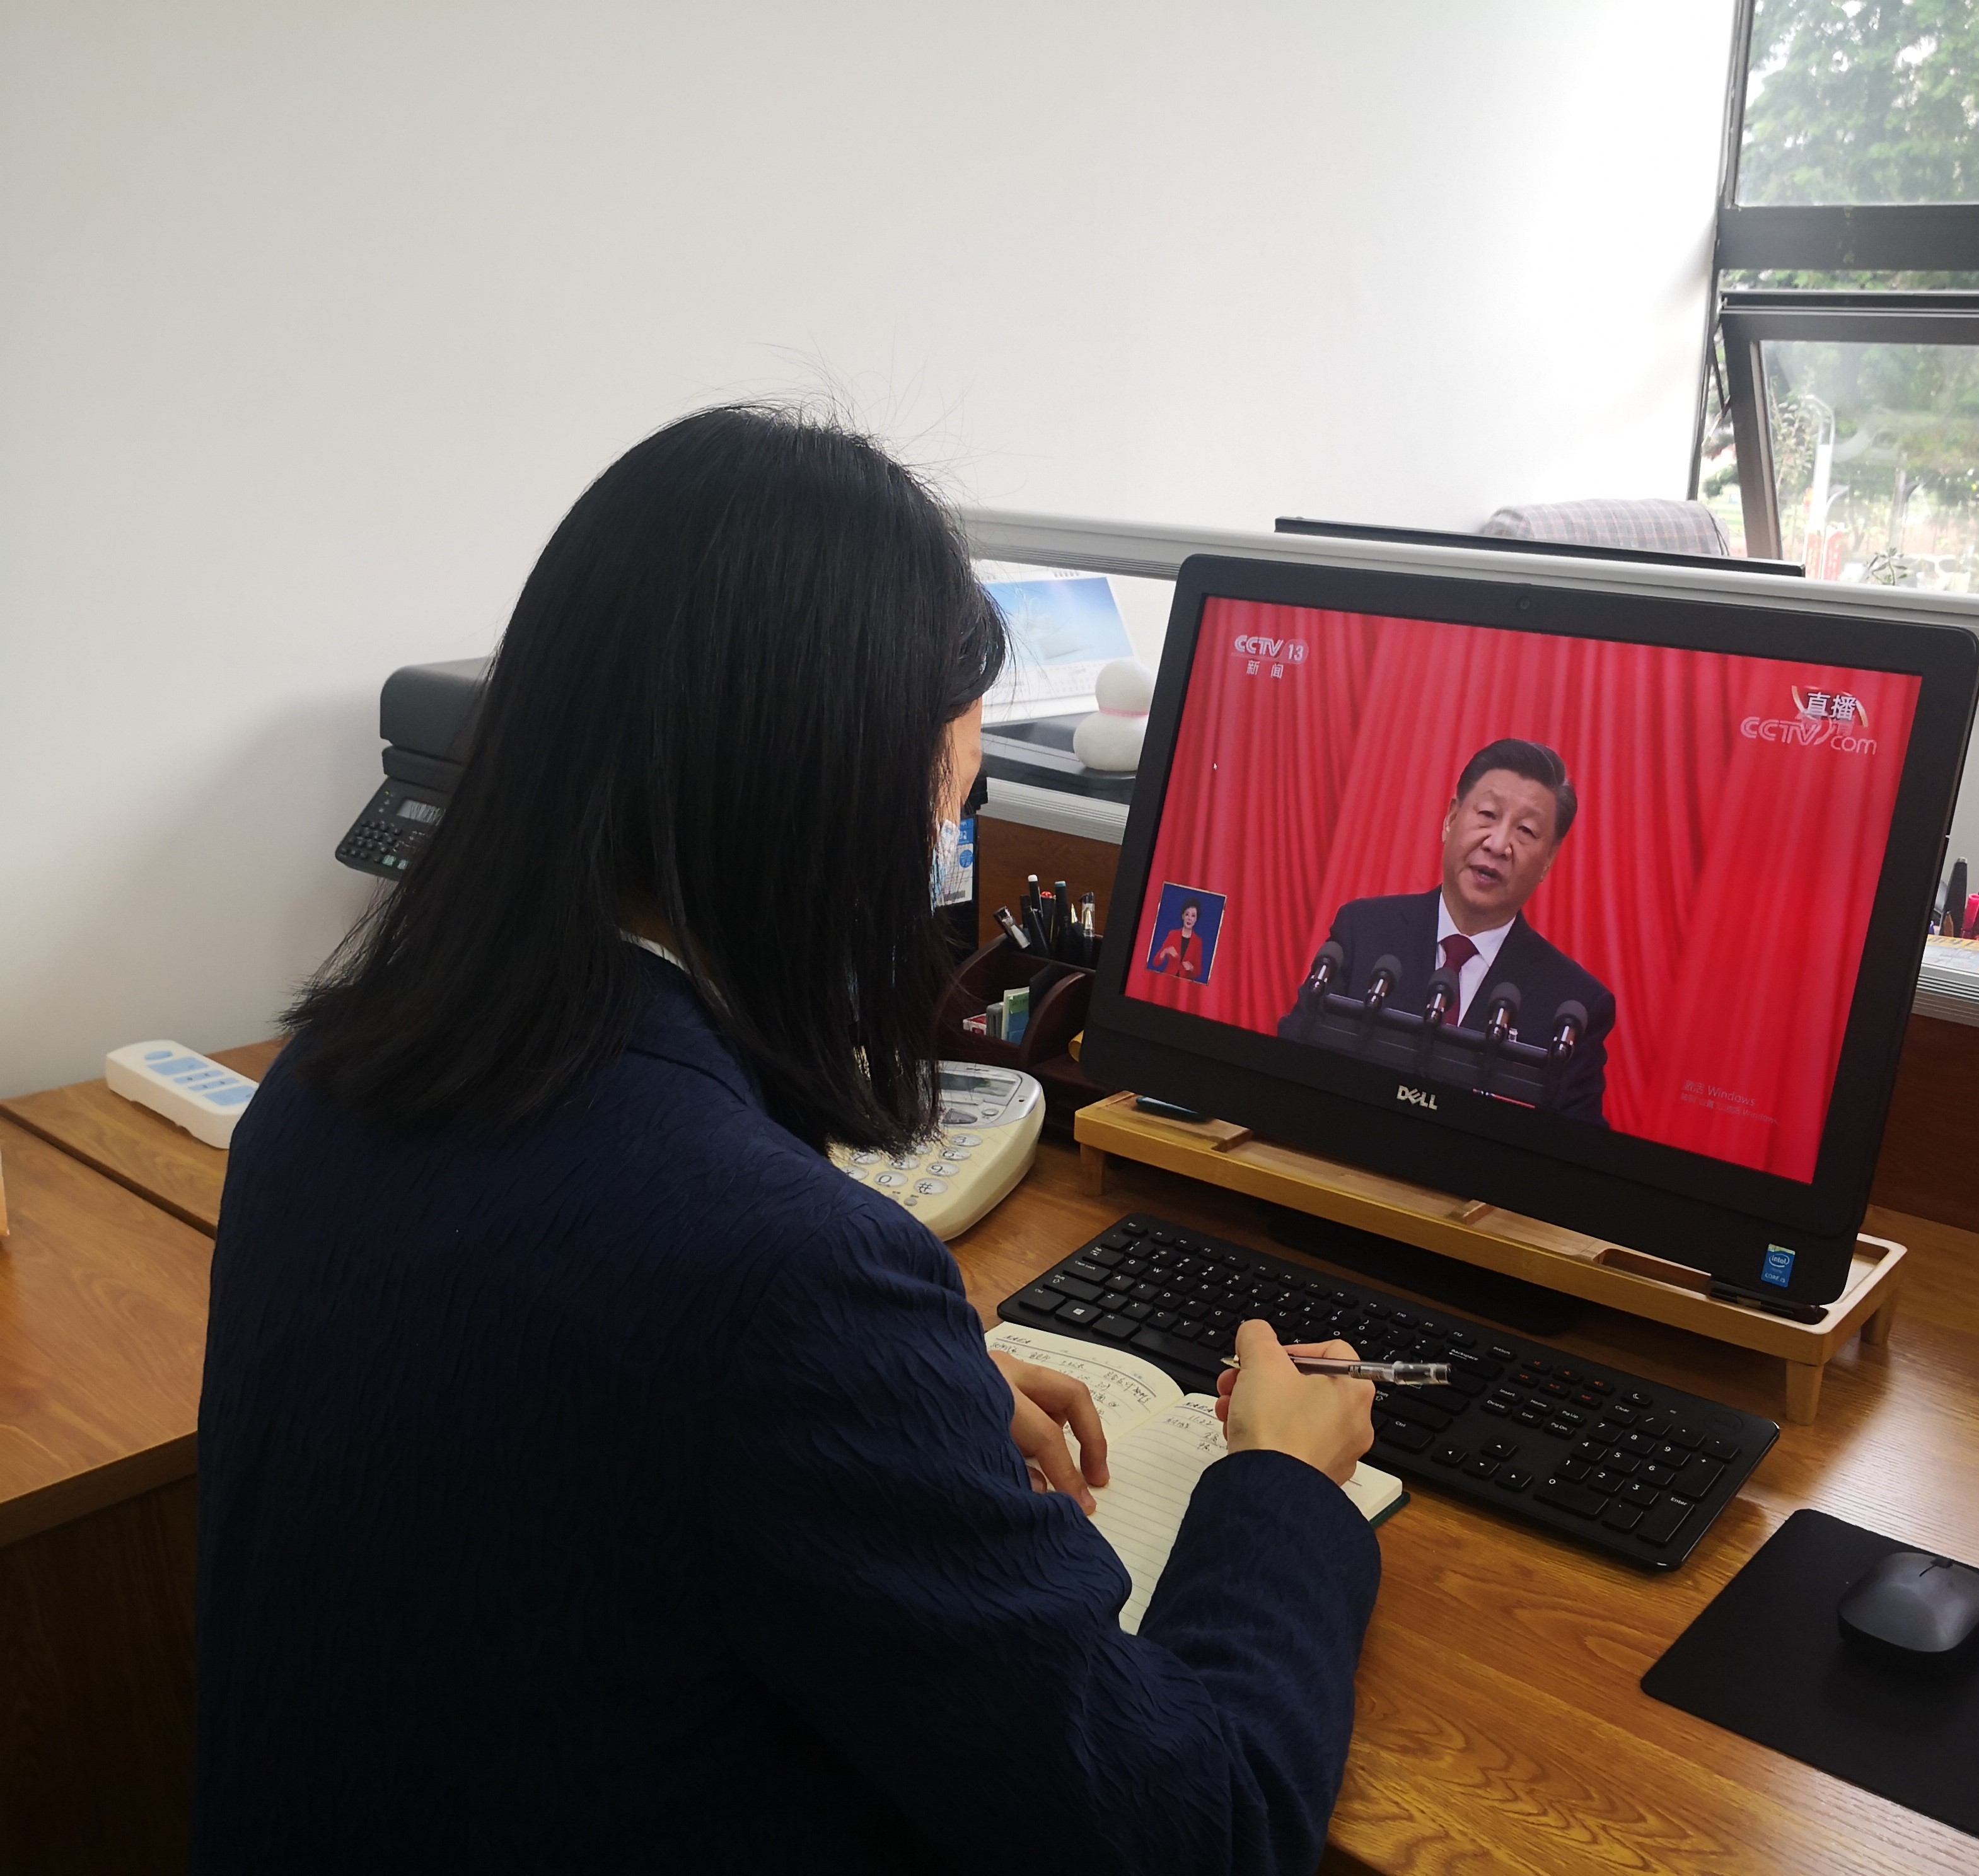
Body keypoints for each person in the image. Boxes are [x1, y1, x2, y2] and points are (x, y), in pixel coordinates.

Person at [192, 406, 1382, 1873]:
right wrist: (1279, 1486)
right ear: (838, 808)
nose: (946, 842)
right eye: (952, 797)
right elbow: (1199, 1829)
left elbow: (576, 1404)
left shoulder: (322, 1086)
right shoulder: (776, 1281)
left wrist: (893, 1411)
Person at [1278, 738, 1615, 1124]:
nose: (1498, 844)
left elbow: (1572, 1149)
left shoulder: (1574, 1006)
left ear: (1549, 860)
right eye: (1487, 814)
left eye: (1525, 830)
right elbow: (1290, 1070)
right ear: (1451, 819)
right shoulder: (1362, 933)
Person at [1151, 896, 1206, 977]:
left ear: (1196, 919)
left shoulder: (1198, 941)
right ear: (1183, 916)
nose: (1189, 919)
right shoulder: (1173, 935)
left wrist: (1191, 967)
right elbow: (1156, 963)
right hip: (1168, 978)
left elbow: (1198, 972)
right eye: (1187, 914)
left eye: (1193, 916)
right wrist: (1165, 951)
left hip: (1183, 983)